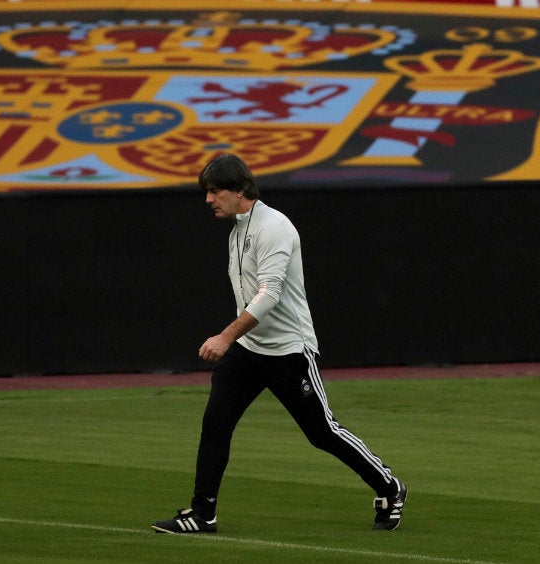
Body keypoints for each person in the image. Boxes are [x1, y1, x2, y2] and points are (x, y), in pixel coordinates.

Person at [151, 153, 406, 534]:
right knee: (216, 423)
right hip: (250, 350)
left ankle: (390, 487)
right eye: (207, 192)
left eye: (215, 191)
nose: (208, 199)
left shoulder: (274, 227)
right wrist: (237, 340)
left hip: (289, 350)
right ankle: (203, 514)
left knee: (322, 432)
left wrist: (225, 336)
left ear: (240, 190)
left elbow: (270, 295)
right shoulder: (239, 229)